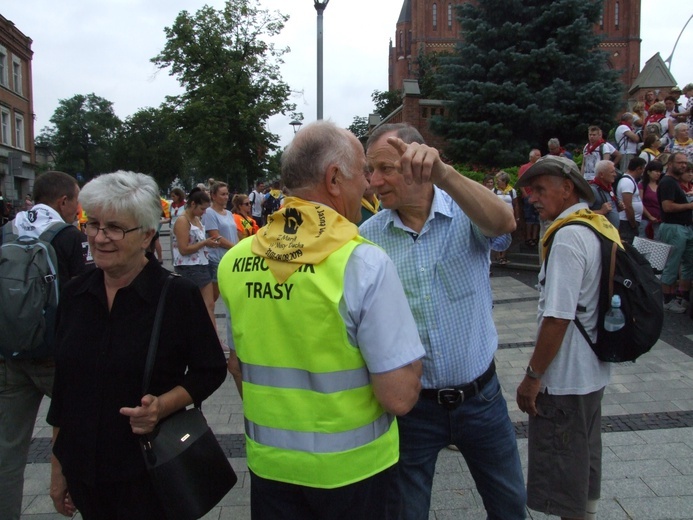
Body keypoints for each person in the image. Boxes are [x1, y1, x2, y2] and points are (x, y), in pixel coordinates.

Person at [218, 120, 424, 519]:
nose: (367, 185)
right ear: (333, 179)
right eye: (361, 172)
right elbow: (399, 396)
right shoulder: (362, 262)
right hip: (355, 473)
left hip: (271, 468)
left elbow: (238, 365)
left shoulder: (235, 261)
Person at [360, 123, 524, 520]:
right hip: (414, 410)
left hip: (481, 400)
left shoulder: (464, 216)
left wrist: (445, 175)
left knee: (509, 507)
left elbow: (505, 224)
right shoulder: (368, 239)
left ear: (418, 162)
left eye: (384, 169)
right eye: (370, 170)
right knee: (407, 512)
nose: (374, 182)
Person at [47, 171, 226, 519]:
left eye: (114, 227)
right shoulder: (74, 294)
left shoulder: (176, 296)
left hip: (147, 471)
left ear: (147, 235)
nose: (99, 237)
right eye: (93, 224)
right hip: (84, 472)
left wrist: (162, 405)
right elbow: (64, 390)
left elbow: (211, 369)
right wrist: (58, 469)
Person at [515, 154, 613, 520]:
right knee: (584, 462)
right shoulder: (594, 226)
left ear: (567, 188)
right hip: (592, 371)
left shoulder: (568, 236)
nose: (532, 198)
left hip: (567, 379)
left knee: (563, 474)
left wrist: (533, 377)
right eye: (529, 191)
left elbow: (557, 318)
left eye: (540, 189)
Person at [0, 171, 90, 520]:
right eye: (76, 201)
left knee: (7, 451)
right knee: (80, 433)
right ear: (62, 201)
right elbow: (80, 293)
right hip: (57, 356)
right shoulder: (66, 235)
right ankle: (81, 501)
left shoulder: (8, 230)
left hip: (10, 355)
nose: (78, 208)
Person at [172, 187, 221, 328]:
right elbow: (183, 249)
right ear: (192, 204)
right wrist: (205, 242)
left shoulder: (196, 219)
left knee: (207, 305)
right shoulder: (183, 220)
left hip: (201, 264)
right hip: (189, 267)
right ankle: (212, 340)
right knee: (205, 305)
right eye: (202, 208)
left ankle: (210, 338)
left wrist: (208, 244)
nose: (204, 212)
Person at [658, 152, 693, 313]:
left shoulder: (675, 182)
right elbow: (667, 207)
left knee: (688, 262)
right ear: (670, 163)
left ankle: (683, 296)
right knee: (672, 264)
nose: (684, 166)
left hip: (684, 227)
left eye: (685, 163)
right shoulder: (667, 182)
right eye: (680, 163)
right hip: (673, 227)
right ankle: (668, 299)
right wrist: (689, 206)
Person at [202, 181, 238, 304]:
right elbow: (215, 236)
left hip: (231, 257)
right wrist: (234, 247)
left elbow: (234, 233)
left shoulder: (228, 213)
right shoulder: (209, 213)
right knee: (214, 295)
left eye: (227, 194)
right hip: (217, 258)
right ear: (213, 196)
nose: (226, 197)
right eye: (222, 194)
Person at [616, 157, 647, 244]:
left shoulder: (631, 181)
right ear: (638, 168)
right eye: (643, 168)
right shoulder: (627, 181)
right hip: (626, 222)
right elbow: (628, 205)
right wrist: (633, 224)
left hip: (630, 222)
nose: (643, 171)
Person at [493, 171, 520, 264]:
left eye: (499, 180)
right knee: (497, 235)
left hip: (508, 216)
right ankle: (497, 255)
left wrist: (517, 217)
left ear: (505, 181)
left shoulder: (512, 191)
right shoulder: (494, 191)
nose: (497, 182)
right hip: (497, 216)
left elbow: (515, 204)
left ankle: (503, 255)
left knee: (506, 234)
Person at [588, 160, 622, 228]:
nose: (615, 174)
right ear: (601, 174)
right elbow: (581, 213)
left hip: (612, 233)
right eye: (612, 172)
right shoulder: (592, 190)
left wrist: (618, 207)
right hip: (600, 234)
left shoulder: (610, 188)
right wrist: (601, 211)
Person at [519, 149, 541, 247]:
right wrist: (525, 195)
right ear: (531, 157)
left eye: (540, 155)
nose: (539, 157)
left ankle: (535, 237)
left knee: (537, 218)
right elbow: (520, 182)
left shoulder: (540, 167)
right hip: (528, 196)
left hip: (538, 197)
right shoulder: (524, 167)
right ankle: (528, 238)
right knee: (529, 218)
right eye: (537, 155)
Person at [639, 160, 663, 239]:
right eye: (656, 171)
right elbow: (640, 202)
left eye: (660, 171)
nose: (658, 173)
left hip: (659, 221)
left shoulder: (661, 186)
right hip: (645, 220)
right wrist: (649, 216)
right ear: (648, 172)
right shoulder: (642, 185)